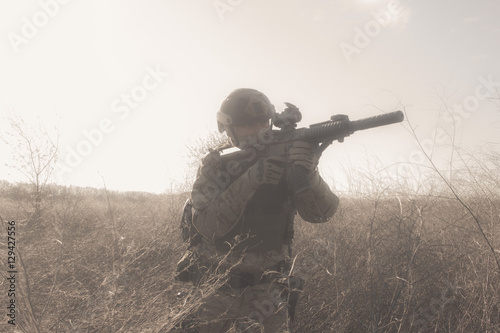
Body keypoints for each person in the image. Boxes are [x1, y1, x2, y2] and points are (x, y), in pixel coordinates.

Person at [176, 88, 339, 332]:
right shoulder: (218, 164)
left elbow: (321, 214)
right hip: (214, 286)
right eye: (249, 124)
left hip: (267, 290)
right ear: (229, 128)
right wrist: (251, 179)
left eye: (264, 122)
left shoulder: (285, 157)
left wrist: (309, 172)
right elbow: (208, 226)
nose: (259, 129)